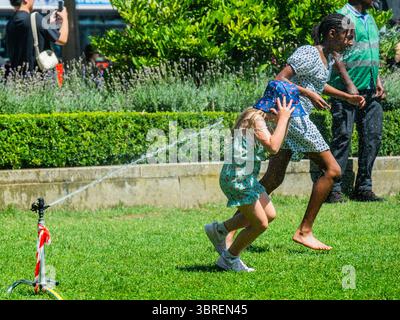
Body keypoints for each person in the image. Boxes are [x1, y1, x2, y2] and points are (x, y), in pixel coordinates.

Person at [221, 13, 366, 252]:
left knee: (273, 178)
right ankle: (304, 231)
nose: (349, 42)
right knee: (332, 170)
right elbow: (279, 81)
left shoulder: (328, 57)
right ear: (332, 34)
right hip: (294, 118)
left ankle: (228, 229)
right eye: (347, 37)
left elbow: (317, 85)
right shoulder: (308, 52)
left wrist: (346, 96)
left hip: (291, 120)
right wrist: (307, 94)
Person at [204, 80, 299, 272]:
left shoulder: (257, 116)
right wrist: (282, 119)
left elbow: (276, 146)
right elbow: (273, 147)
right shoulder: (254, 118)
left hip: (246, 178)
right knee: (260, 224)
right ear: (275, 106)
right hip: (238, 180)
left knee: (270, 214)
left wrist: (285, 120)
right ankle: (229, 259)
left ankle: (219, 229)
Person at [326, 0, 386, 203]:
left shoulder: (369, 19)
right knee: (343, 137)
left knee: (373, 137)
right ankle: (333, 189)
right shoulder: (342, 15)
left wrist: (377, 79)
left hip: (370, 90)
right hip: (346, 91)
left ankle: (363, 187)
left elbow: (370, 52)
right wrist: (349, 84)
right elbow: (334, 52)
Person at [6, 0, 69, 75]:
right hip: (38, 78)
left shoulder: (10, 23)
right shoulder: (36, 18)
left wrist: (48, 24)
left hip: (17, 78)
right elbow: (62, 39)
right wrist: (65, 17)